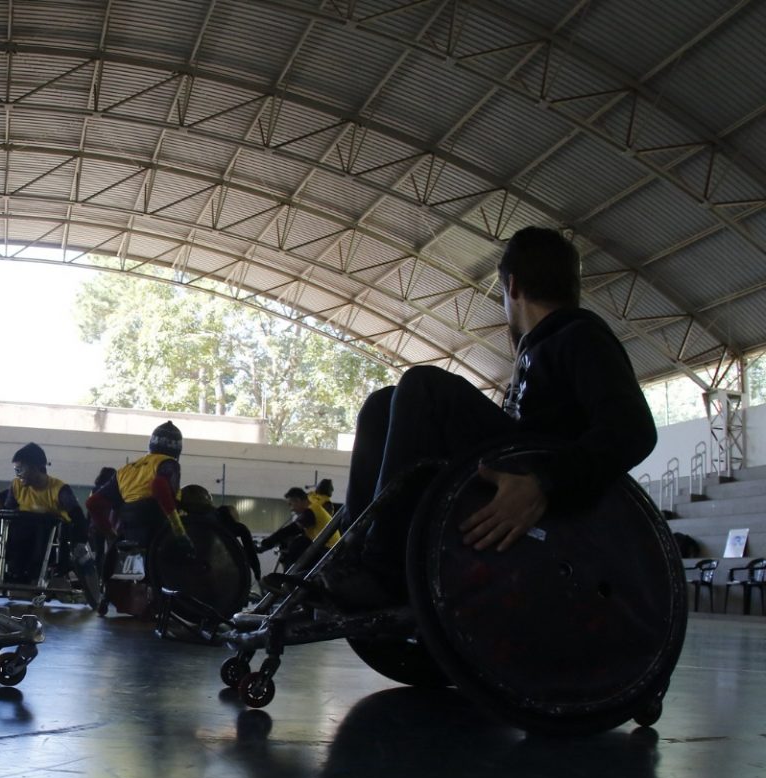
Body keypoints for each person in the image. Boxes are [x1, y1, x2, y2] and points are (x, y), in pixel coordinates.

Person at [317, 226, 658, 609]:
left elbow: (634, 430)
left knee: (423, 385)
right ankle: (353, 553)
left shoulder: (580, 337)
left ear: (512, 287)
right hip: (513, 459)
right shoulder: (540, 351)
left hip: (546, 479)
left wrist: (544, 481)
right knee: (383, 404)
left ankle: (384, 569)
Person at [86, 421, 190, 613]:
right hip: (157, 527)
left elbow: (93, 503)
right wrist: (179, 530)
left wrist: (110, 534)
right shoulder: (168, 464)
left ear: (151, 445)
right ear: (177, 450)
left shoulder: (126, 470)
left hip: (128, 531)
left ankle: (106, 598)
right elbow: (159, 487)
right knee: (188, 550)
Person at [0, 442, 91, 586]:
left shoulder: (59, 489)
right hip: (20, 538)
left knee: (41, 525)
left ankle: (36, 572)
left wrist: (80, 542)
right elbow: (8, 512)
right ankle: (7, 571)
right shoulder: (16, 485)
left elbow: (78, 516)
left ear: (36, 468)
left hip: (50, 539)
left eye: (20, 469)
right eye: (16, 470)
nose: (17, 474)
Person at [257, 486, 339, 571]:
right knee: (298, 542)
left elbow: (291, 530)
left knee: (298, 545)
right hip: (326, 550)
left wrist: (267, 543)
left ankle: (290, 581)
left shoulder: (311, 512)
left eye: (290, 504)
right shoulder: (314, 508)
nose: (291, 509)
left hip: (326, 552)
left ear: (298, 500)